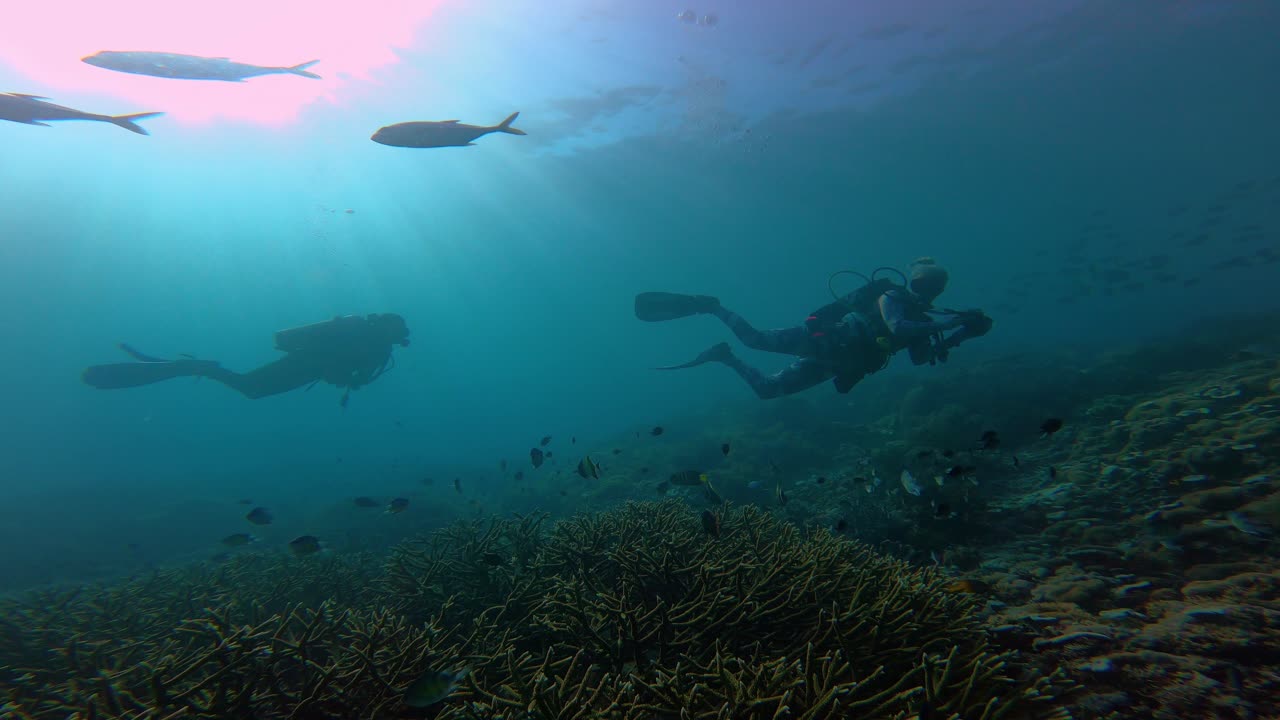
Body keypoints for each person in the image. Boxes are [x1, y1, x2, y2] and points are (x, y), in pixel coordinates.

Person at [635, 258, 992, 399]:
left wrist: (959, 336)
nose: (930, 292)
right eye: (927, 284)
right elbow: (897, 325)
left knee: (769, 391)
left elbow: (922, 357)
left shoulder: (927, 323)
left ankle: (723, 357)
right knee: (757, 340)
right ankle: (711, 307)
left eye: (935, 288)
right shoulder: (892, 294)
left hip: (841, 363)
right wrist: (953, 322)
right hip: (828, 339)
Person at [81, 313, 410, 405]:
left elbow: (345, 371)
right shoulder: (376, 347)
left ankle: (198, 367)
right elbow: (346, 376)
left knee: (251, 389)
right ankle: (199, 367)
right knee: (252, 389)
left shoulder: (371, 341)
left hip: (306, 363)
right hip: (305, 365)